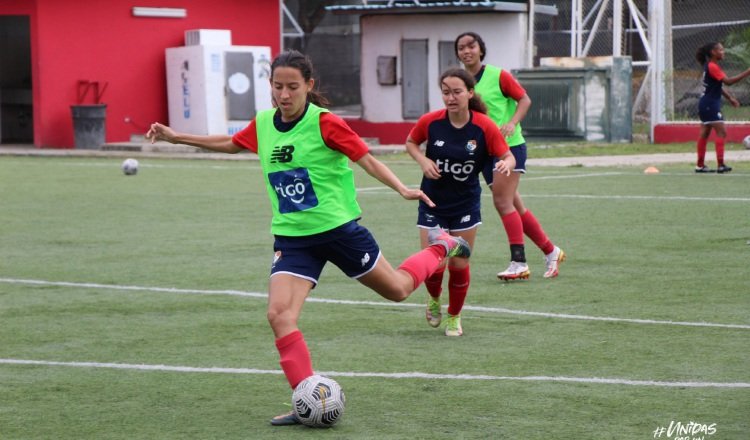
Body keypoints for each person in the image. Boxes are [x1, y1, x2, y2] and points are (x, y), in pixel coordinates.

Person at [145, 49, 471, 426]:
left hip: (339, 231)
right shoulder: (265, 123)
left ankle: (441, 246)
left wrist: (403, 188)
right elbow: (232, 143)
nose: (284, 95)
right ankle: (307, 400)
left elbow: (366, 159)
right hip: (293, 239)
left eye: (293, 87)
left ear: (309, 86)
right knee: (279, 315)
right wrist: (176, 138)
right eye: (277, 86)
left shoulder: (325, 123)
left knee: (398, 289)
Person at [405, 68, 515, 336]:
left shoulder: (483, 126)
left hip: (465, 204)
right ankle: (433, 299)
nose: (451, 98)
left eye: (456, 92)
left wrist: (505, 163)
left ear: (469, 93)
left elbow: (508, 155)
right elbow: (411, 142)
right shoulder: (431, 122)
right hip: (432, 202)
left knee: (459, 263)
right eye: (445, 92)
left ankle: (454, 316)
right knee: (433, 263)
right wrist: (423, 160)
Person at [455, 31, 566, 281]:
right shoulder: (460, 81)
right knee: (514, 205)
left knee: (502, 203)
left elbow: (524, 99)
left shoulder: (498, 75)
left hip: (508, 149)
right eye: (461, 48)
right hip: (484, 152)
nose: (466, 51)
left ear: (480, 49)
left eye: (471, 46)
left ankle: (519, 262)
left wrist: (512, 122)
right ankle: (551, 251)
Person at [694, 42, 750, 174]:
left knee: (705, 133)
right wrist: (747, 72)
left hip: (706, 103)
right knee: (721, 132)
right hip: (709, 104)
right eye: (721, 50)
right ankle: (720, 164)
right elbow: (728, 82)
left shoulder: (711, 66)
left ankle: (700, 165)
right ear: (713, 52)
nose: (723, 52)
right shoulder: (712, 66)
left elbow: (718, 85)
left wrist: (730, 98)